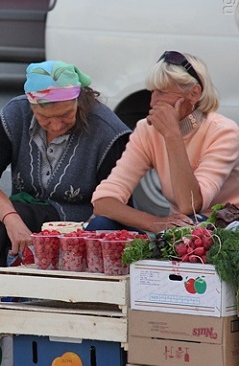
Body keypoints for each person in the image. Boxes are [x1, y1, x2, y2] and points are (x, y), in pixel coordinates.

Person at [0, 60, 131, 266]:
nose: (56, 125)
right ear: (31, 106)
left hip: (76, 223)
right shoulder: (17, 113)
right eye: (44, 118)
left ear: (78, 101)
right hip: (25, 210)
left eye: (66, 115)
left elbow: (115, 204)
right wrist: (10, 218)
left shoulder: (106, 130)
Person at [89, 51, 239, 233]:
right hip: (179, 225)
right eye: (152, 92)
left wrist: (172, 135)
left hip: (224, 225)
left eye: (161, 92)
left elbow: (190, 205)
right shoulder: (147, 129)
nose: (152, 102)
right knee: (101, 225)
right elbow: (103, 201)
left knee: (189, 229)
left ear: (194, 93)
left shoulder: (224, 131)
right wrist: (153, 222)